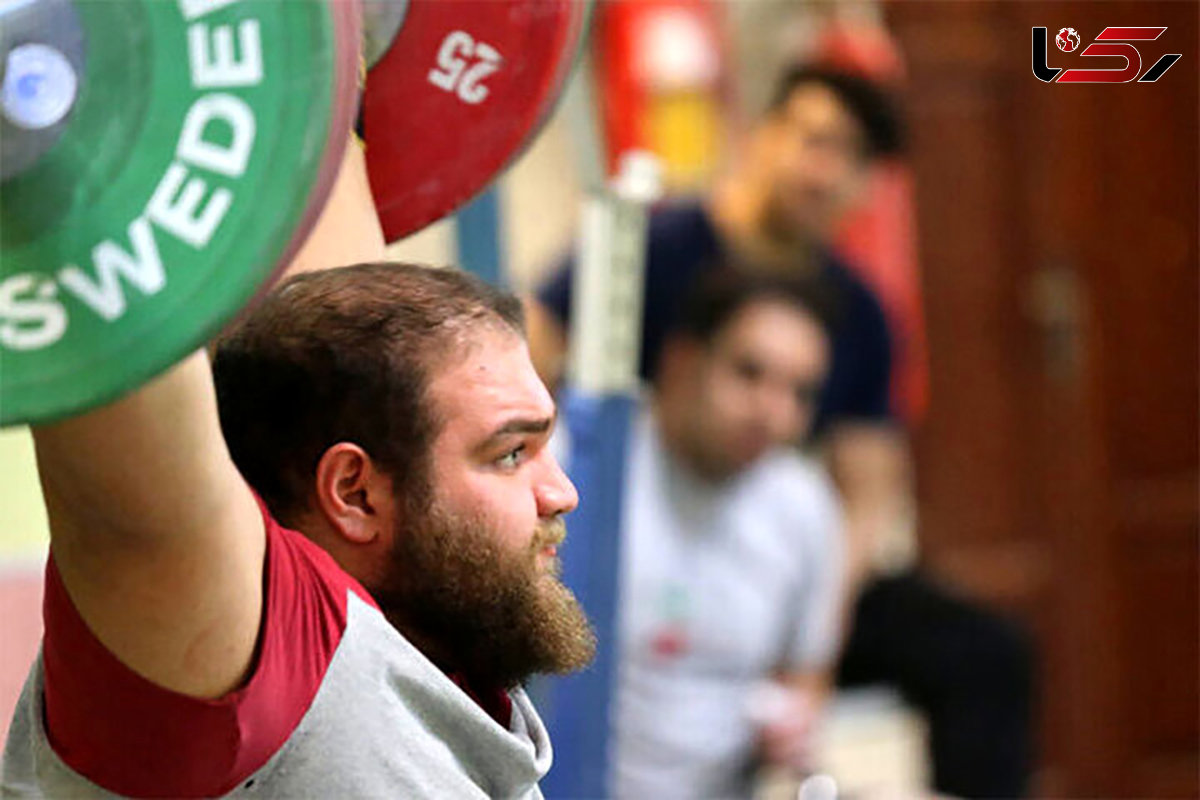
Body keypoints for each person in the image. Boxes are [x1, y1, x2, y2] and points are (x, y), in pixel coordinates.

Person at [2, 139, 594, 798]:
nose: (562, 493)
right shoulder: (265, 662)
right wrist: (60, 151)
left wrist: (340, 47)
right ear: (355, 493)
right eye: (510, 453)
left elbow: (330, 303)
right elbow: (138, 500)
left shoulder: (449, 640)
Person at [530, 65, 1034, 797]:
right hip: (622, 547)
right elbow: (522, 363)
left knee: (987, 653)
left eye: (855, 158)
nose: (826, 172)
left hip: (757, 578)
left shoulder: (860, 315)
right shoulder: (654, 249)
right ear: (764, 135)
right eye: (816, 140)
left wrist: (807, 619)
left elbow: (868, 489)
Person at [613, 270, 844, 799]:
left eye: (800, 392)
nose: (774, 412)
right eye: (749, 373)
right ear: (682, 361)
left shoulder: (804, 506)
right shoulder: (579, 474)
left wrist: (790, 729)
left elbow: (805, 676)